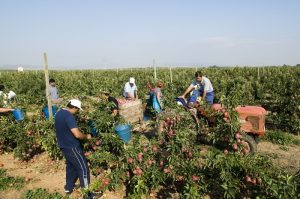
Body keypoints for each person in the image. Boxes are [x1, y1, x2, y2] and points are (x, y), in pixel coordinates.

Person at [54, 99, 95, 199]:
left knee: (71, 167)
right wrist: (87, 136)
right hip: (72, 147)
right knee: (83, 168)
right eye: (77, 109)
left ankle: (69, 188)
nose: (78, 112)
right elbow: (77, 134)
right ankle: (87, 194)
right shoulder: (69, 116)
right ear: (74, 107)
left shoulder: (59, 113)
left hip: (63, 146)